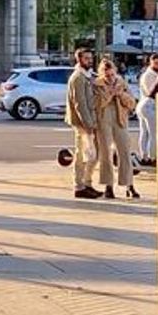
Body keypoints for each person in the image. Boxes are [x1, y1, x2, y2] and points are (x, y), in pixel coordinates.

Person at [96, 53, 139, 199]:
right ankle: (108, 185)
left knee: (125, 152)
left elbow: (132, 103)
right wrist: (109, 94)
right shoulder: (97, 84)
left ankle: (129, 184)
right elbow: (97, 104)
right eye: (107, 75)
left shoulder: (121, 82)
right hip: (104, 120)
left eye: (112, 74)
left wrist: (120, 94)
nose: (110, 78)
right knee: (106, 154)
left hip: (120, 119)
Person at [64, 45, 103, 199]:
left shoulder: (87, 76)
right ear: (79, 59)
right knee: (84, 156)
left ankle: (87, 183)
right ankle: (80, 186)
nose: (90, 61)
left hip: (89, 121)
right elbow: (80, 104)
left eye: (90, 58)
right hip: (83, 124)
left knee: (91, 155)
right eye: (86, 58)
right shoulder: (78, 78)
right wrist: (89, 125)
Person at [136, 53, 158, 166]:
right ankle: (151, 157)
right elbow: (150, 92)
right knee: (152, 133)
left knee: (145, 132)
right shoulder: (148, 75)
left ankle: (145, 156)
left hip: (144, 105)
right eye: (156, 63)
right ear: (150, 63)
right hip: (149, 106)